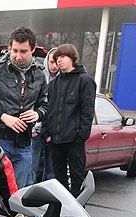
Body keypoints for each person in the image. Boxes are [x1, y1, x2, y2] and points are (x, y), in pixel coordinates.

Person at [0, 26, 48, 194]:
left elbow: (46, 105)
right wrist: (3, 117)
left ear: (32, 50)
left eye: (23, 51)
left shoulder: (39, 74)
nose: (18, 56)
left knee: (17, 196)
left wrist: (38, 113)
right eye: (14, 50)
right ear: (9, 48)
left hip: (24, 144)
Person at [41, 43, 96, 197]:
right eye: (57, 58)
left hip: (74, 140)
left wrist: (81, 135)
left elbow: (88, 110)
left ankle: (77, 207)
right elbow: (48, 109)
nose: (59, 60)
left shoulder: (85, 81)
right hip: (55, 140)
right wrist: (46, 133)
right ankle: (61, 207)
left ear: (72, 58)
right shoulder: (53, 84)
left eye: (62, 56)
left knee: (77, 179)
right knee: (59, 180)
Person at [30, 47, 59, 184]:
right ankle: (29, 193)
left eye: (57, 62)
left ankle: (48, 194)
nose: (54, 66)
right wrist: (32, 127)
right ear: (47, 61)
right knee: (32, 167)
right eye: (52, 62)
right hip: (36, 130)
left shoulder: (63, 81)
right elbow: (31, 103)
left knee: (51, 171)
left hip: (53, 133)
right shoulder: (38, 77)